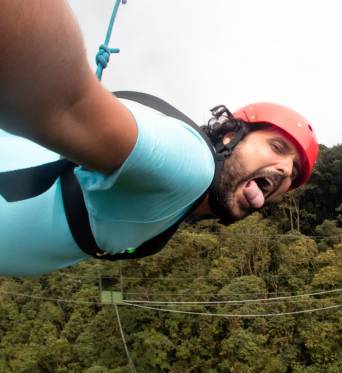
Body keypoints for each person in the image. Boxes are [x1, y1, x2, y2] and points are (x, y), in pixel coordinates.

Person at [0, 0, 318, 276]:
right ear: (230, 135)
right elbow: (66, 104)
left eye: (293, 172)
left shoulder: (182, 202)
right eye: (277, 147)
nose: (285, 171)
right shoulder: (191, 167)